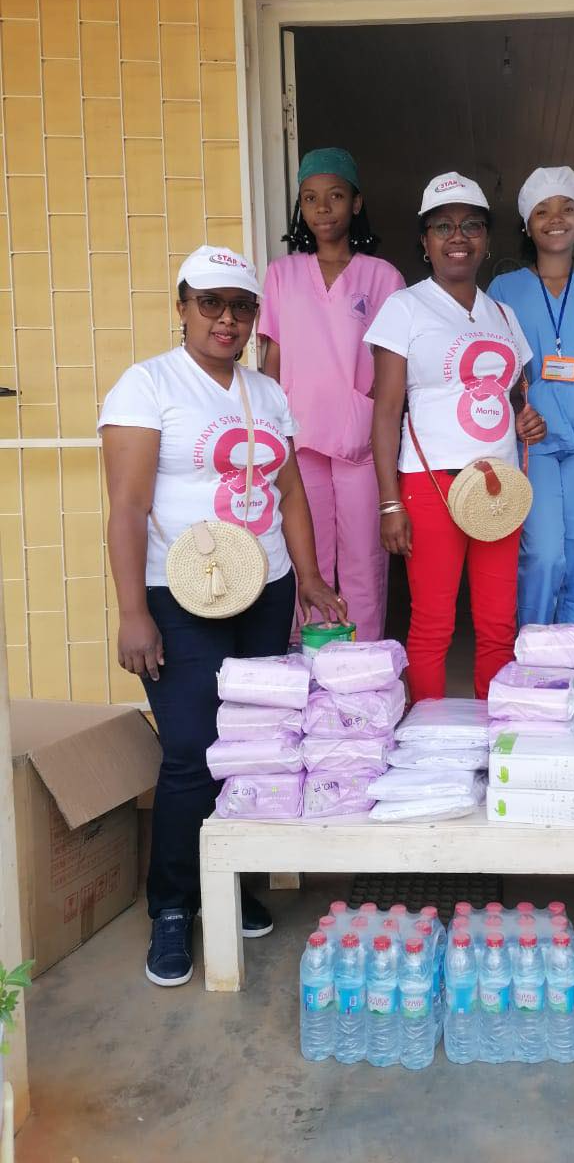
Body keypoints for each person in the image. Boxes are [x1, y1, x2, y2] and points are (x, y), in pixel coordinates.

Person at [99, 245, 345, 988]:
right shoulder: (146, 387)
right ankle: (173, 908)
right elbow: (128, 507)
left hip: (263, 586)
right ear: (182, 306)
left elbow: (292, 493)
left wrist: (308, 577)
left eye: (240, 307)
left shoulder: (265, 392)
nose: (227, 319)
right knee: (188, 749)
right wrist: (133, 612)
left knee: (253, 744)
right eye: (211, 303)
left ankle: (231, 882)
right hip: (180, 597)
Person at [364, 172, 547, 701]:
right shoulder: (405, 308)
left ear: (487, 239)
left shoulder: (504, 315)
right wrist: (388, 503)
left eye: (471, 225)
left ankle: (494, 738)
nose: (458, 236)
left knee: (495, 624)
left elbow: (515, 400)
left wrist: (527, 421)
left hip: (498, 485)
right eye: (443, 226)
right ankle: (429, 747)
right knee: (433, 625)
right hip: (431, 484)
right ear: (425, 242)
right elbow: (386, 413)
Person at [259, 148, 404, 640]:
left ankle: (365, 676)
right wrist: (268, 431)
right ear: (301, 207)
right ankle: (315, 672)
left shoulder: (383, 278)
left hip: (361, 441)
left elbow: (392, 369)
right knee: (311, 564)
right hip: (298, 442)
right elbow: (271, 360)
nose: (323, 208)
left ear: (356, 203)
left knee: (364, 563)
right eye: (310, 198)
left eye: (335, 196)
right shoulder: (281, 274)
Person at [487, 166, 574, 626]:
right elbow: (488, 368)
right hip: (533, 438)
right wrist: (516, 408)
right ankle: (530, 653)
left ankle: (572, 664)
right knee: (543, 554)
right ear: (528, 224)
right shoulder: (504, 290)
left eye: (567, 208)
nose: (556, 219)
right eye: (543, 211)